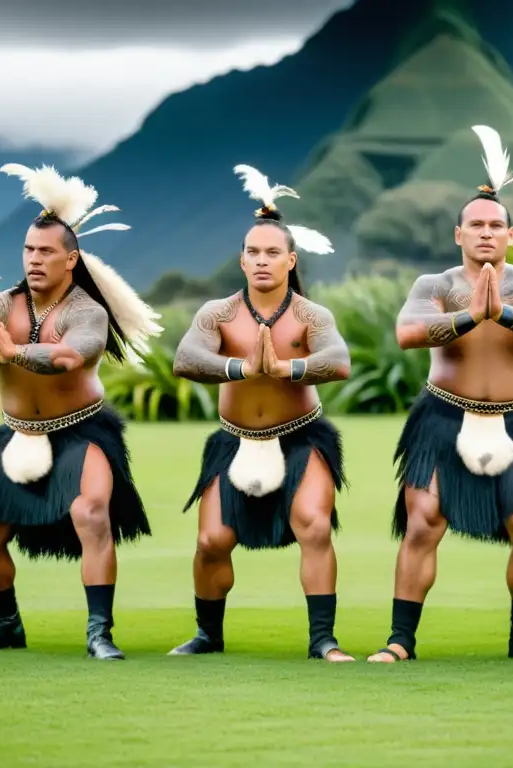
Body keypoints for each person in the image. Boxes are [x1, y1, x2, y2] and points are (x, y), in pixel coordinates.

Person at [366, 126, 513, 664]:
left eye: (495, 226)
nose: (485, 233)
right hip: (443, 418)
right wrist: (469, 315)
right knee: (424, 522)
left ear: (511, 234)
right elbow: (408, 333)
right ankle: (399, 641)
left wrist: (501, 312)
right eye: (475, 225)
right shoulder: (435, 286)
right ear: (459, 234)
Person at [0, 163, 162, 660]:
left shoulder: (87, 310)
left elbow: (71, 356)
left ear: (70, 259)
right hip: (17, 432)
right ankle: (5, 624)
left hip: (82, 431)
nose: (34, 259)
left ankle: (99, 632)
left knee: (91, 514)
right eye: (28, 250)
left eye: (46, 251)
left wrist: (13, 354)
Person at [167, 163, 354, 661]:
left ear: (291, 260)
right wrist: (240, 368)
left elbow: (338, 362)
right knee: (211, 541)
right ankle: (208, 634)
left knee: (313, 525)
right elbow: (186, 359)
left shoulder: (312, 315)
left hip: (301, 436)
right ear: (242, 260)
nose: (262, 261)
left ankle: (323, 640)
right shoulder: (218, 313)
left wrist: (287, 369)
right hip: (234, 440)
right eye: (254, 252)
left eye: (273, 253)